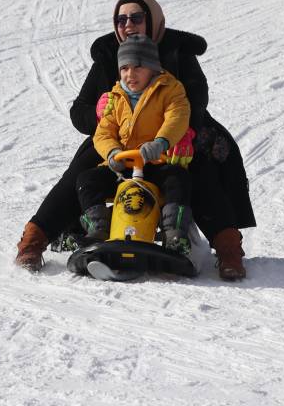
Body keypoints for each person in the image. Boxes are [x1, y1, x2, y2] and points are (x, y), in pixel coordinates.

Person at [14, 0, 255, 280]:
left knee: (197, 172)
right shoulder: (109, 53)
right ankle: (35, 240)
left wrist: (179, 134)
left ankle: (228, 249)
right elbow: (80, 111)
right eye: (121, 19)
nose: (128, 24)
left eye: (136, 17)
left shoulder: (177, 51)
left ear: (151, 20)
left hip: (176, 133)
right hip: (122, 137)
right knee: (80, 173)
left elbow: (194, 100)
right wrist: (97, 113)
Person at [75, 34, 194, 253]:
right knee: (87, 180)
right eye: (124, 68)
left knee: (178, 179)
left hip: (157, 162)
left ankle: (174, 234)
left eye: (137, 67)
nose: (130, 75)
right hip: (124, 165)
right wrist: (112, 152)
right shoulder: (116, 97)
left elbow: (178, 117)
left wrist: (160, 142)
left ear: (152, 67)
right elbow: (103, 133)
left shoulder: (169, 90)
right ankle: (99, 230)